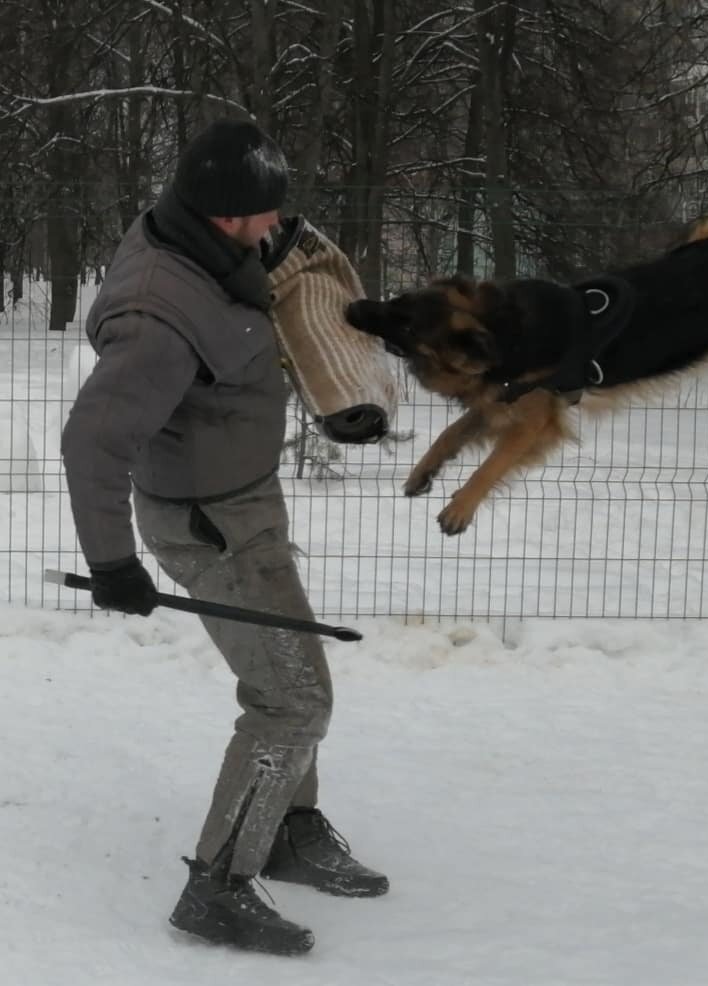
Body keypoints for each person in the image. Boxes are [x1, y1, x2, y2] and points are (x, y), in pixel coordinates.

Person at [61, 118, 388, 957]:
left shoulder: (201, 235)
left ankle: (285, 826)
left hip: (245, 497)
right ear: (223, 216)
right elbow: (94, 439)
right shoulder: (156, 313)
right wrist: (111, 565)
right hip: (208, 524)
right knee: (293, 698)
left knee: (292, 676)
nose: (277, 226)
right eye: (264, 215)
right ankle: (217, 885)